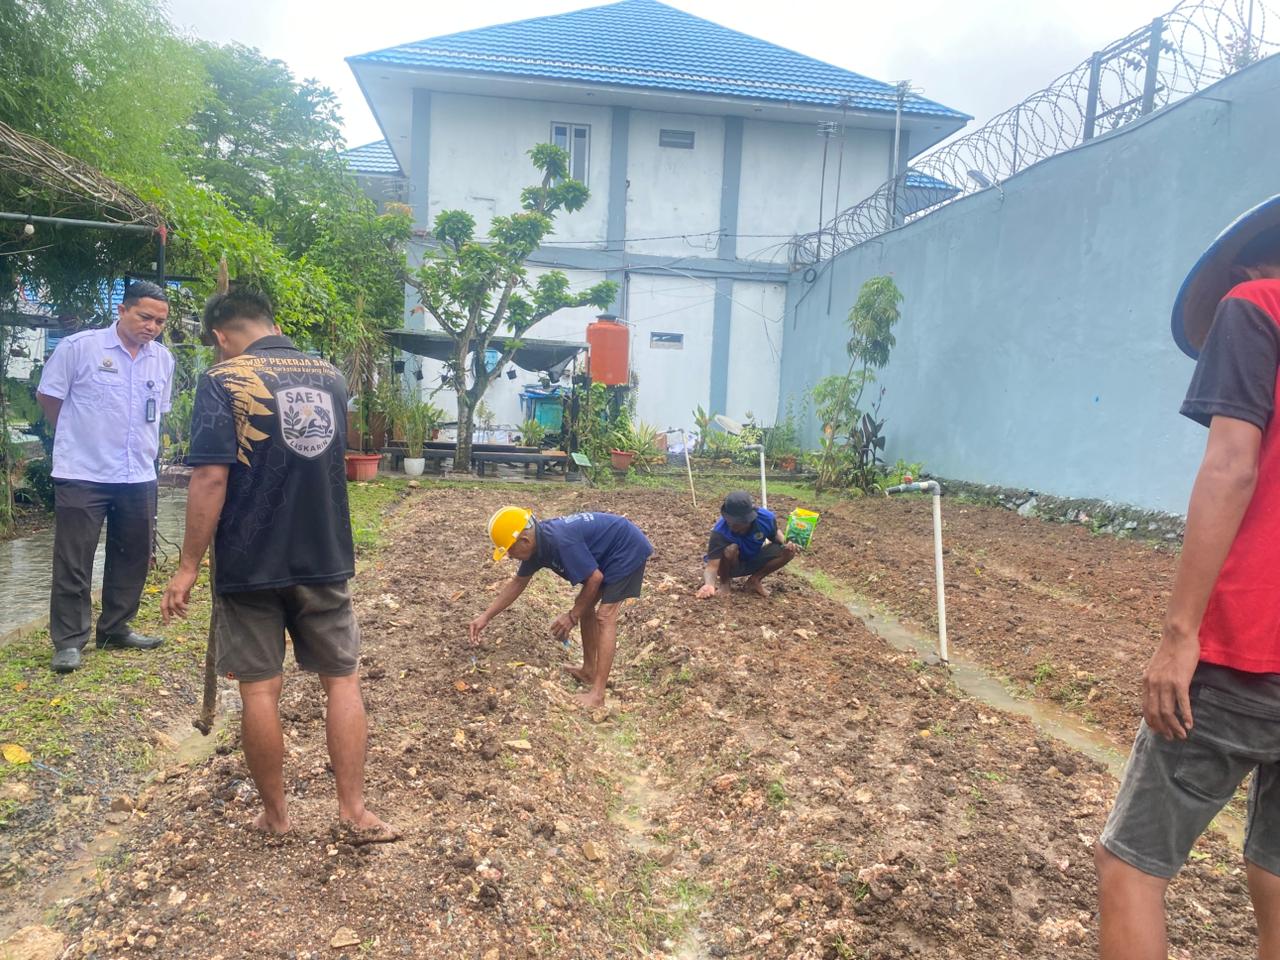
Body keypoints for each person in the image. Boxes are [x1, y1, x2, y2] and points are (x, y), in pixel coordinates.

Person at [1095, 196, 1280, 960]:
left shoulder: (1256, 305)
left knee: (1130, 864)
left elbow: (1233, 464)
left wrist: (1179, 636)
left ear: (1243, 267)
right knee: (1275, 864)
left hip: (1252, 641)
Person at [161, 288, 393, 841]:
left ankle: (277, 817)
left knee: (260, 692)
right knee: (342, 682)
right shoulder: (331, 376)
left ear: (221, 335)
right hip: (324, 556)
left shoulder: (222, 380)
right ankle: (354, 812)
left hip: (249, 560)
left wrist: (188, 565)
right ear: (268, 321)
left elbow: (211, 477)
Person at [37, 281, 175, 673]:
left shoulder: (162, 359)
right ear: (122, 310)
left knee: (132, 555)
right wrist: (74, 437)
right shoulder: (79, 348)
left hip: (137, 473)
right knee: (74, 559)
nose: (152, 326)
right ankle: (69, 641)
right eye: (145, 316)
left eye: (160, 321)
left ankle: (115, 628)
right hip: (83, 471)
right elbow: (49, 397)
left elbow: (157, 410)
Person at [469, 507, 652, 709]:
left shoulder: (559, 541)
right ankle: (589, 671)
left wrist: (572, 617)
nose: (510, 557)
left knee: (605, 615)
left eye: (510, 550)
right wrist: (485, 616)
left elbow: (595, 578)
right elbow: (518, 583)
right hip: (607, 552)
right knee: (586, 605)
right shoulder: (538, 546)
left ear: (525, 541)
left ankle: (598, 695)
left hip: (626, 548)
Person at [696, 491, 796, 600]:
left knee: (788, 551)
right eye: (731, 522)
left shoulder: (766, 518)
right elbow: (712, 566)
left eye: (739, 523)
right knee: (731, 549)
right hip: (730, 566)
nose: (734, 527)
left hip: (753, 560)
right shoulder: (720, 532)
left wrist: (787, 544)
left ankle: (754, 580)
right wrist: (709, 584)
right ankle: (725, 584)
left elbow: (775, 534)